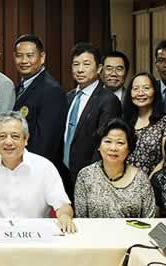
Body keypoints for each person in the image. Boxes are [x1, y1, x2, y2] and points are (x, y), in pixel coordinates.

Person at [0, 112, 76, 233]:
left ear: (26, 139)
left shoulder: (45, 167)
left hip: (36, 236)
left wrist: (65, 216)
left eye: (15, 136)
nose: (8, 142)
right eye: (2, 136)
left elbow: (63, 205)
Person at [64, 42, 122, 199]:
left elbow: (105, 142)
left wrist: (92, 178)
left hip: (91, 178)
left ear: (98, 68)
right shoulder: (68, 98)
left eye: (86, 64)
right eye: (76, 64)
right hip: (63, 175)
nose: (80, 69)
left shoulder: (108, 100)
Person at [11, 34, 68, 178]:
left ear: (42, 57)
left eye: (30, 56)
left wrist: (27, 171)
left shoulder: (51, 90)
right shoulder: (20, 87)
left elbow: (46, 143)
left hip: (36, 173)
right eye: (19, 56)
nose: (24, 61)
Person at [74, 119, 155, 218]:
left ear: (129, 148)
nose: (113, 148)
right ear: (99, 146)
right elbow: (81, 219)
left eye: (120, 143)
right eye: (108, 141)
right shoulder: (86, 175)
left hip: (132, 233)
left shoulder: (141, 178)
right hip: (95, 233)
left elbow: (150, 219)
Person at [123, 73, 166, 175]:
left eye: (146, 88)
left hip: (153, 181)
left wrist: (148, 181)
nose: (140, 93)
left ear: (155, 91)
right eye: (135, 89)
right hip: (123, 181)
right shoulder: (124, 121)